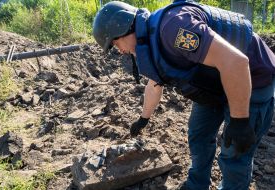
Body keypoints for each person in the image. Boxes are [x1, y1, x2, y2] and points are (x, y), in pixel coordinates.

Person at [93, 0, 275, 189]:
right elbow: (155, 83)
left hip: (251, 78)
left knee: (234, 152)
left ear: (124, 27)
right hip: (215, 83)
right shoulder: (147, 41)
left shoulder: (174, 28)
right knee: (198, 134)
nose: (120, 51)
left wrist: (240, 121)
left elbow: (236, 62)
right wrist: (143, 119)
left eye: (115, 42)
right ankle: (197, 184)